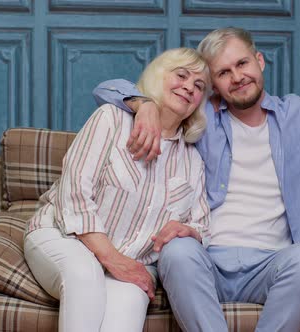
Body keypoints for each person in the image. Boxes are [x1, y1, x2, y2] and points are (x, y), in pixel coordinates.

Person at [92, 27, 300, 332]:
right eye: (223, 72)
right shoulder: (199, 118)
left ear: (259, 61)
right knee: (176, 252)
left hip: (276, 263)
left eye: (242, 63)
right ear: (213, 84)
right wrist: (143, 104)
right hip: (208, 258)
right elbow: (105, 88)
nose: (237, 77)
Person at [23, 47, 212, 332]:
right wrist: (112, 259)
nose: (189, 87)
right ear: (160, 76)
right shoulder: (111, 119)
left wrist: (191, 231)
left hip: (135, 261)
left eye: (199, 86)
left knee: (125, 311)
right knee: (85, 276)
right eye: (181, 75)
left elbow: (204, 226)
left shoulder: (192, 160)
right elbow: (74, 193)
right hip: (65, 237)